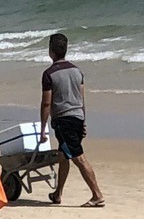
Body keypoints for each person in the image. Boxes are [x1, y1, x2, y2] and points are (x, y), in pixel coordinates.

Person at [40, 33, 105, 207]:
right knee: (63, 156)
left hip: (64, 121)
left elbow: (46, 103)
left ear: (51, 51)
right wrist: (83, 122)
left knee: (78, 158)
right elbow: (81, 99)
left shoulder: (49, 74)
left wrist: (42, 129)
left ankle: (97, 195)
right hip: (77, 117)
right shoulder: (77, 71)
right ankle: (58, 193)